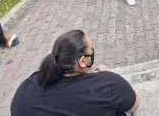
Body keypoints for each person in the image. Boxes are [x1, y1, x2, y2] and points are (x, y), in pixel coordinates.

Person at [10, 30, 140, 116]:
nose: (93, 51)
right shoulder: (110, 85)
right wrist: (105, 78)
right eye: (91, 48)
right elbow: (134, 105)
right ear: (82, 61)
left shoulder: (24, 92)